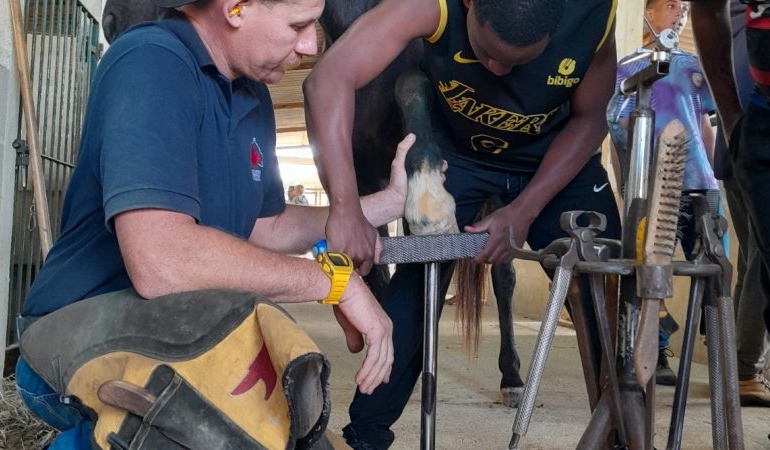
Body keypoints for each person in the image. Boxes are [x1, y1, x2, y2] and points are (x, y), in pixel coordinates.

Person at [13, 0, 417, 446]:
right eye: (298, 25)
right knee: (215, 420)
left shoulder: (252, 95)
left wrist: (382, 206)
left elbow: (269, 228)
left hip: (172, 322)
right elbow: (160, 258)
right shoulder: (150, 62)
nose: (310, 45)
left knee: (290, 412)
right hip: (68, 332)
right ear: (236, 8)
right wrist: (332, 282)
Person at [304, 0, 621, 448]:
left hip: (554, 159)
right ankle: (365, 436)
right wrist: (344, 207)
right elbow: (328, 78)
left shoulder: (593, 16)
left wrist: (525, 209)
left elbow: (590, 120)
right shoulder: (428, 6)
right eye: (486, 51)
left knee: (608, 293)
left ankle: (623, 430)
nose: (496, 70)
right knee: (419, 285)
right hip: (463, 155)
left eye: (517, 61)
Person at [608, 0, 718, 386]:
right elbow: (619, 130)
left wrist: (712, 176)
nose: (681, 14)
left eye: (685, 8)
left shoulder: (692, 67)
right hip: (652, 186)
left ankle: (718, 347)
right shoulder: (628, 69)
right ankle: (656, 351)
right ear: (648, 14)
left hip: (699, 183)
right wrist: (627, 190)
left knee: (713, 268)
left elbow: (704, 124)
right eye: (671, 6)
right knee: (652, 269)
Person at [690, 0, 770, 407]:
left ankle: (736, 366)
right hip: (748, 149)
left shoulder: (740, 18)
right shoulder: (743, 18)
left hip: (740, 147)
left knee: (755, 261)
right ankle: (741, 368)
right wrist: (739, 128)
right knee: (759, 261)